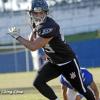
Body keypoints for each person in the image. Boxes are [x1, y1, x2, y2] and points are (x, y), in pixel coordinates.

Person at [8, 0, 96, 99]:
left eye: (41, 13)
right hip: (54, 62)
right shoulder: (37, 24)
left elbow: (33, 47)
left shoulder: (50, 26)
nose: (38, 16)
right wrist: (33, 32)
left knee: (81, 89)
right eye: (35, 13)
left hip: (67, 62)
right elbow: (31, 41)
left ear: (46, 13)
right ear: (30, 13)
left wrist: (17, 37)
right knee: (38, 82)